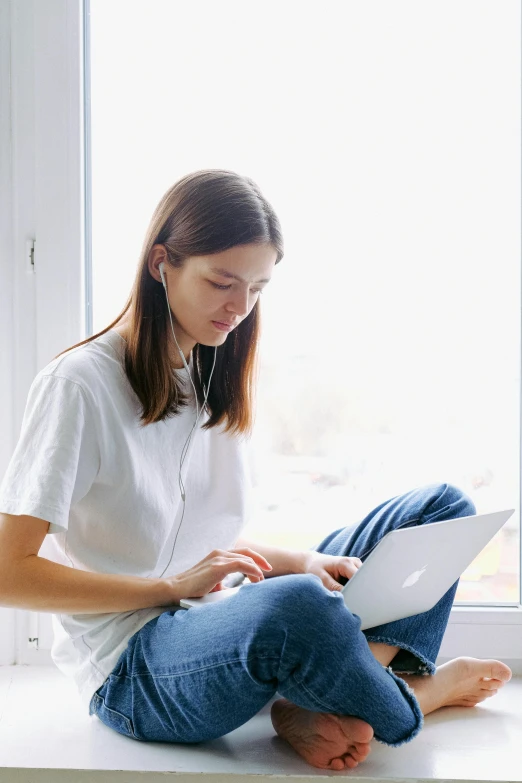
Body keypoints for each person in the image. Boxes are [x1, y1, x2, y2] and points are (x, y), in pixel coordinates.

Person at [0, 169, 511, 772]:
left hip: (218, 615)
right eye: (221, 282)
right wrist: (168, 591)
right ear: (162, 263)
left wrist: (305, 561)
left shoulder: (209, 374)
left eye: (258, 289)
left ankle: (315, 701)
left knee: (440, 509)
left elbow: (185, 534)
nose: (239, 308)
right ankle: (408, 698)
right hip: (137, 670)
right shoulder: (79, 385)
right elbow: (10, 572)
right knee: (296, 607)